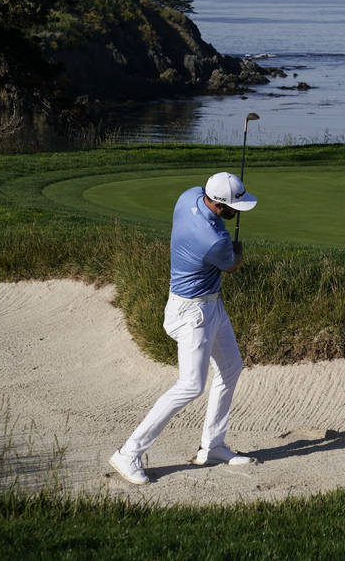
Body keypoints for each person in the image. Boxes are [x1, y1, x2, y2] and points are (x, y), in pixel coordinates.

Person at [109, 171, 257, 485]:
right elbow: (231, 266)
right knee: (190, 385)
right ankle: (129, 453)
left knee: (231, 367)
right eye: (234, 208)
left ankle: (213, 446)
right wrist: (238, 252)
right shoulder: (214, 239)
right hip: (193, 313)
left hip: (208, 304)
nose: (237, 212)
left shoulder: (189, 195)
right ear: (218, 206)